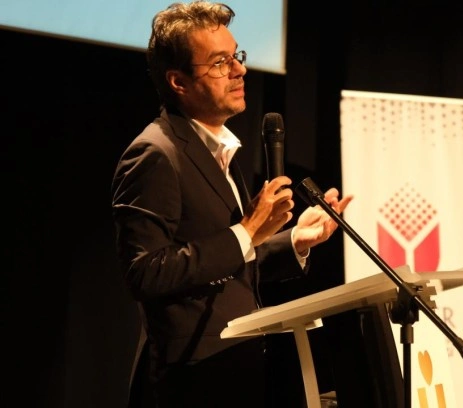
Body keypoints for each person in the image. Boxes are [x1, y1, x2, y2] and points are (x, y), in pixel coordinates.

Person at [110, 1, 353, 407]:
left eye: (236, 55)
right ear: (179, 81)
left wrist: (293, 242)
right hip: (189, 382)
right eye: (219, 63)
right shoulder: (155, 154)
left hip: (237, 370)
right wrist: (247, 229)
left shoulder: (217, 150)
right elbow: (145, 273)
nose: (239, 69)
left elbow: (228, 264)